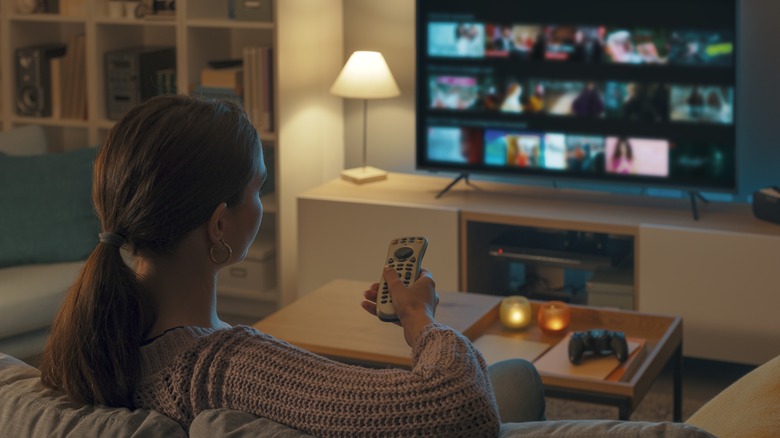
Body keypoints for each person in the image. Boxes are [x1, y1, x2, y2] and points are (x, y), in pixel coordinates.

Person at [39, 95, 545, 436]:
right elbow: (460, 407)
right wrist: (420, 320)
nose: (261, 202)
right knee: (515, 378)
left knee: (510, 377)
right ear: (220, 226)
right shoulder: (223, 367)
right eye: (257, 189)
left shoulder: (95, 334)